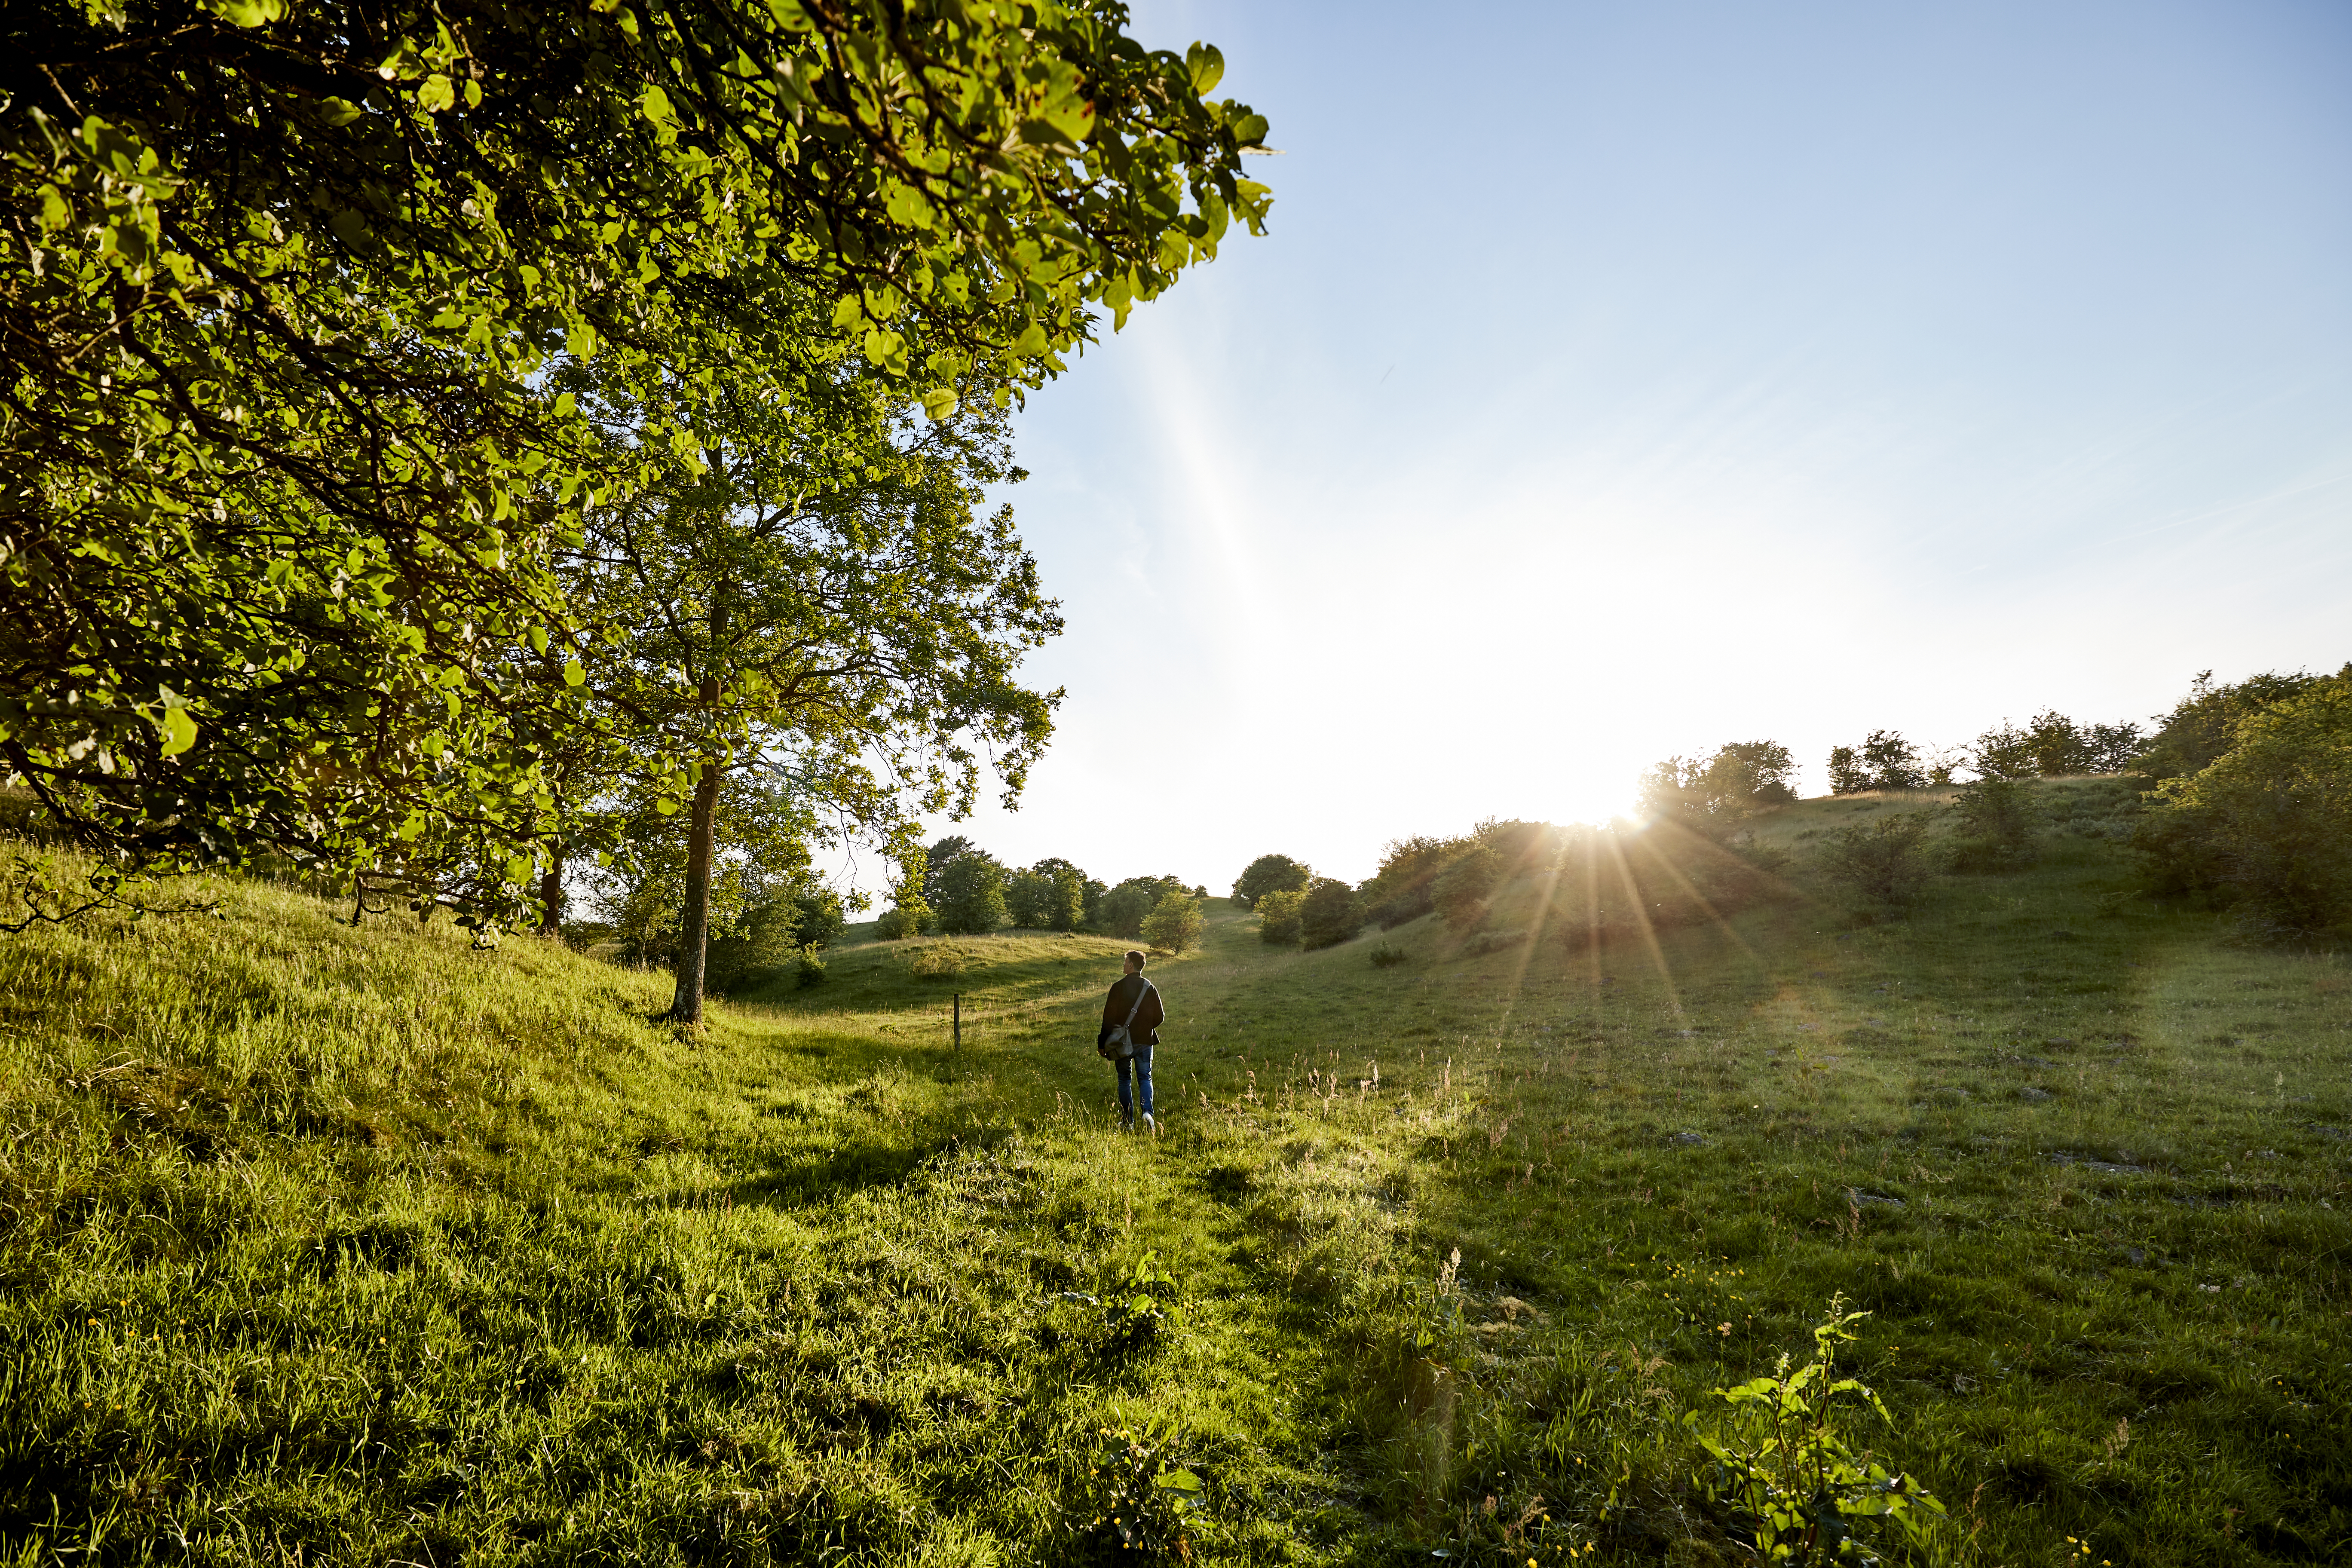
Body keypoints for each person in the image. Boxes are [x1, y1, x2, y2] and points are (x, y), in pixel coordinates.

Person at [1097, 948, 1164, 1132]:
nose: (1124, 964)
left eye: (1125, 961)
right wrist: (1145, 1028)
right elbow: (1160, 1017)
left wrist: (1101, 1042)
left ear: (1131, 965)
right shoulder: (1150, 988)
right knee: (1145, 1077)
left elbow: (1108, 1019)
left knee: (1124, 1080)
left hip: (1122, 1043)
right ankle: (1148, 1114)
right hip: (1145, 1041)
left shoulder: (1118, 987)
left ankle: (1128, 1122)